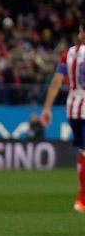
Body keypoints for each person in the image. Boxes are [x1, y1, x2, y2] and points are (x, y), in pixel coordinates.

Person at [41, 22, 85, 213]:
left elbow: (57, 82)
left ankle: (82, 193)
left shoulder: (68, 54)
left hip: (73, 108)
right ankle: (83, 198)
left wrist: (47, 108)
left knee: (83, 150)